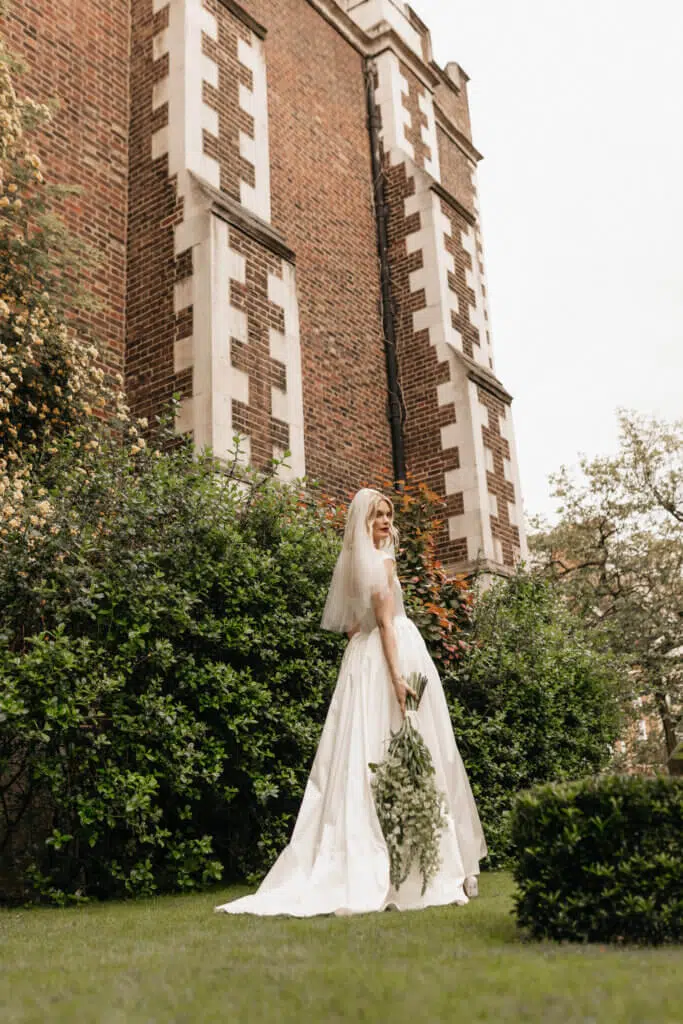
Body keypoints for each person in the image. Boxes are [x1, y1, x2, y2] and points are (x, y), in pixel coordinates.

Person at [215, 487, 486, 916]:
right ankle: (424, 866)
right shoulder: (382, 561)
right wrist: (397, 679)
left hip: (361, 662)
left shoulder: (354, 564)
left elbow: (353, 627)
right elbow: (384, 624)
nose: (384, 521)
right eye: (377, 515)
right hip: (389, 656)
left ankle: (413, 858)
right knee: (411, 753)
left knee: (372, 753)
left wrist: (369, 658)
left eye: (388, 514)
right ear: (364, 522)